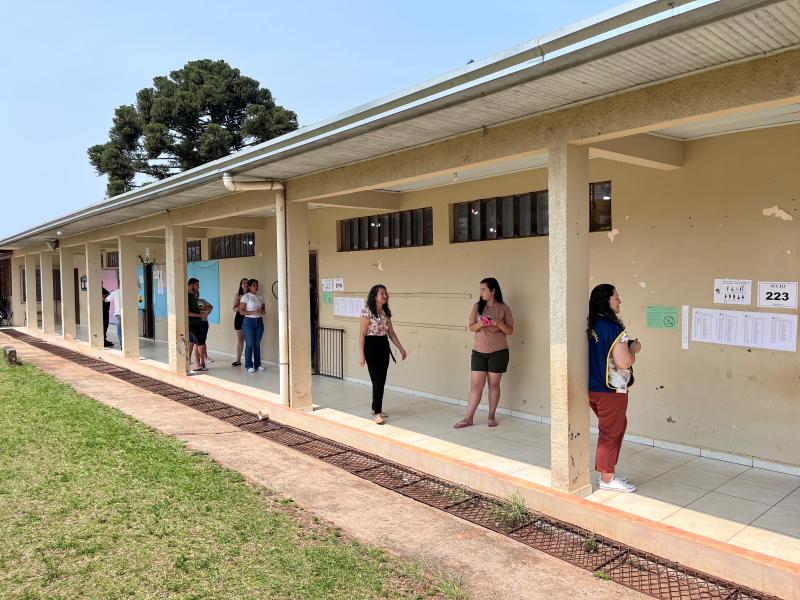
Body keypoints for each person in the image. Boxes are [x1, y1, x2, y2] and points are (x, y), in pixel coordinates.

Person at [587, 284, 642, 493]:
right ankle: (607, 479)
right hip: (611, 390)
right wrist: (633, 349)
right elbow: (624, 362)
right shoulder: (613, 329)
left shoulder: (591, 325)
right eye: (616, 297)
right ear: (606, 301)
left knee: (616, 427)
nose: (620, 301)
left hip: (591, 388)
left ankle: (609, 471)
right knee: (610, 432)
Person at [454, 277, 514, 429]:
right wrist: (480, 324)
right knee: (476, 385)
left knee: (493, 385)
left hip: (499, 351)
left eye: (484, 289)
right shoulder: (477, 307)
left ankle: (491, 415)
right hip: (479, 351)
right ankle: (468, 418)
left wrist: (499, 323)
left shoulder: (504, 308)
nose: (481, 292)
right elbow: (471, 327)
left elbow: (510, 331)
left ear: (493, 291)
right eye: (480, 289)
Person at [359, 285, 407, 425]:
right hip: (371, 347)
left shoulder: (386, 312)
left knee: (381, 380)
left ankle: (375, 407)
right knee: (377, 380)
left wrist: (401, 348)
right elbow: (362, 334)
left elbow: (391, 333)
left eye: (386, 294)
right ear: (375, 296)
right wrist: (361, 354)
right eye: (382, 294)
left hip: (383, 347)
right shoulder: (367, 311)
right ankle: (378, 412)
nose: (385, 296)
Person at [239, 279, 265, 373]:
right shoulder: (246, 297)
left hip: (259, 322)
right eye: (253, 285)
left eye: (256, 285)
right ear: (249, 287)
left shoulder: (260, 297)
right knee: (249, 344)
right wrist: (253, 312)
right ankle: (249, 365)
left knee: (257, 344)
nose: (256, 287)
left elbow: (264, 310)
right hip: (248, 322)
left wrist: (262, 311)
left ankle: (258, 364)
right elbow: (241, 311)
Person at [187, 278, 209, 372]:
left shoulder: (192, 296)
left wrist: (202, 310)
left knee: (200, 343)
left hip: (199, 322)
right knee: (198, 343)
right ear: (192, 285)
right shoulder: (186, 296)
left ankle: (201, 363)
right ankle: (199, 361)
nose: (198, 287)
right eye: (197, 285)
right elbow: (187, 312)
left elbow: (195, 310)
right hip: (192, 324)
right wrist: (200, 314)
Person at [231, 278, 249, 366]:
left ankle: (248, 361)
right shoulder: (237, 295)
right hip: (239, 318)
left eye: (247, 283)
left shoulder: (251, 295)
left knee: (249, 341)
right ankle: (238, 360)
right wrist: (239, 308)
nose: (245, 284)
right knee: (240, 340)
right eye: (243, 283)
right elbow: (233, 308)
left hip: (249, 319)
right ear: (241, 285)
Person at [197, 296, 214, 366]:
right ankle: (191, 360)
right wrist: (200, 309)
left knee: (203, 340)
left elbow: (210, 307)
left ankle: (205, 357)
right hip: (194, 323)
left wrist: (203, 308)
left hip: (204, 322)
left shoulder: (202, 300)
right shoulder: (189, 301)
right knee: (194, 343)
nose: (196, 293)